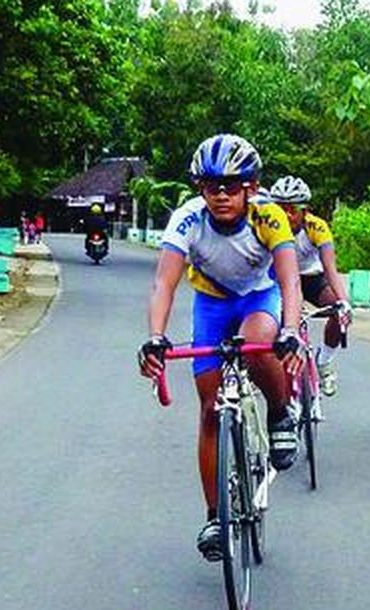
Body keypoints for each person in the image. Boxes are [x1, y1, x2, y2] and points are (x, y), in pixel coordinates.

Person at [137, 133, 304, 562]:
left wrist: (289, 328)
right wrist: (156, 337)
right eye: (212, 187)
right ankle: (215, 516)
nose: (222, 195)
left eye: (233, 185)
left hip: (259, 296)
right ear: (201, 189)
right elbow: (164, 283)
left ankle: (280, 410)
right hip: (211, 303)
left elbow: (289, 280)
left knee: (257, 341)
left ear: (252, 186)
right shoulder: (189, 220)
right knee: (210, 409)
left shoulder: (269, 217)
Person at [269, 175, 351, 397]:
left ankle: (324, 362)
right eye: (280, 208)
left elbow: (330, 267)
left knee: (336, 309)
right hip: (279, 280)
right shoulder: (268, 226)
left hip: (311, 278)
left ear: (305, 210)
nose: (287, 215)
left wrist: (343, 302)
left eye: (292, 209)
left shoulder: (317, 227)